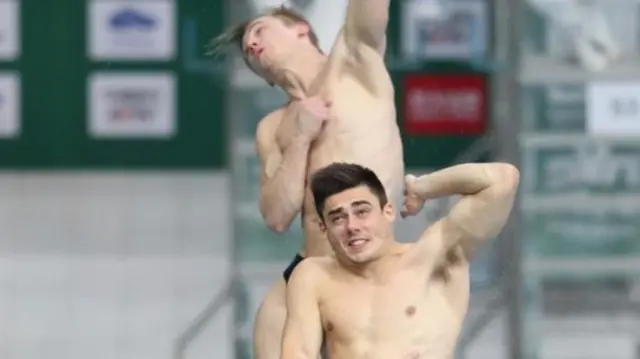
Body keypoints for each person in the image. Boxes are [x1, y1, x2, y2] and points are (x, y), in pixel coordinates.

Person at [210, 2, 403, 359]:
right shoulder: (272, 129)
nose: (251, 46)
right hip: (310, 271)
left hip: (373, 271)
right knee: (271, 322)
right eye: (247, 52)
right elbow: (276, 215)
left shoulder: (356, 63)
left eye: (259, 31)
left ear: (300, 28)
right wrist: (299, 139)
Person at [280, 162, 519, 359]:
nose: (352, 226)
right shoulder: (312, 276)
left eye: (362, 211)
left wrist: (422, 187)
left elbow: (503, 179)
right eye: (337, 218)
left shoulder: (434, 258)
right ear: (324, 228)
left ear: (388, 212)